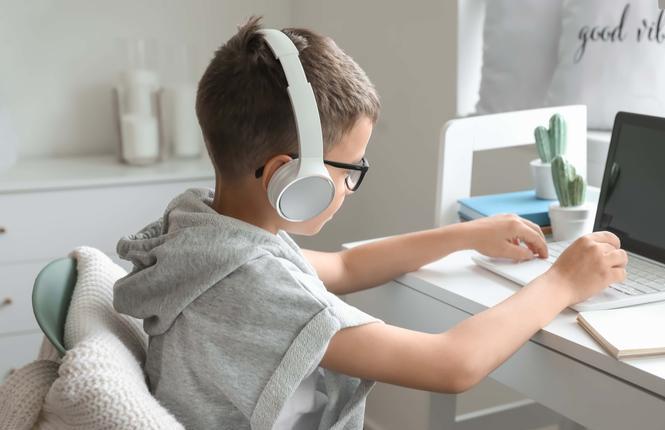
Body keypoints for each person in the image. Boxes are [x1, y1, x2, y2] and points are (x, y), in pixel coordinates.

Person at [113, 16, 627, 430]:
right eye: (348, 170)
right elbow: (451, 363)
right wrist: (562, 281)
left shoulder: (205, 232)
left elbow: (345, 265)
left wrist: (467, 235)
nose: (353, 187)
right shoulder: (257, 287)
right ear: (287, 176)